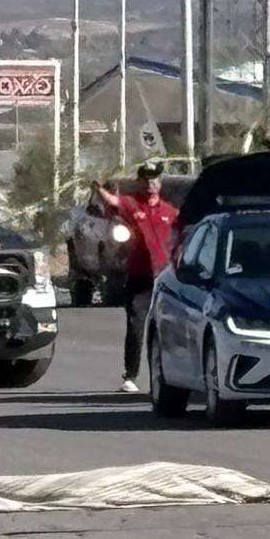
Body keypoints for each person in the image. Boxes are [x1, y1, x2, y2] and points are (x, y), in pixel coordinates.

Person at [93, 163, 181, 393]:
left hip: (165, 279)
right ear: (140, 182)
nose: (151, 184)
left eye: (155, 179)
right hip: (140, 276)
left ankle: (169, 378)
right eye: (147, 180)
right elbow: (114, 202)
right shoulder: (132, 205)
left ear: (160, 183)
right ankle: (130, 375)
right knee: (136, 326)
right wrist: (98, 188)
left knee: (167, 329)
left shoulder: (170, 212)